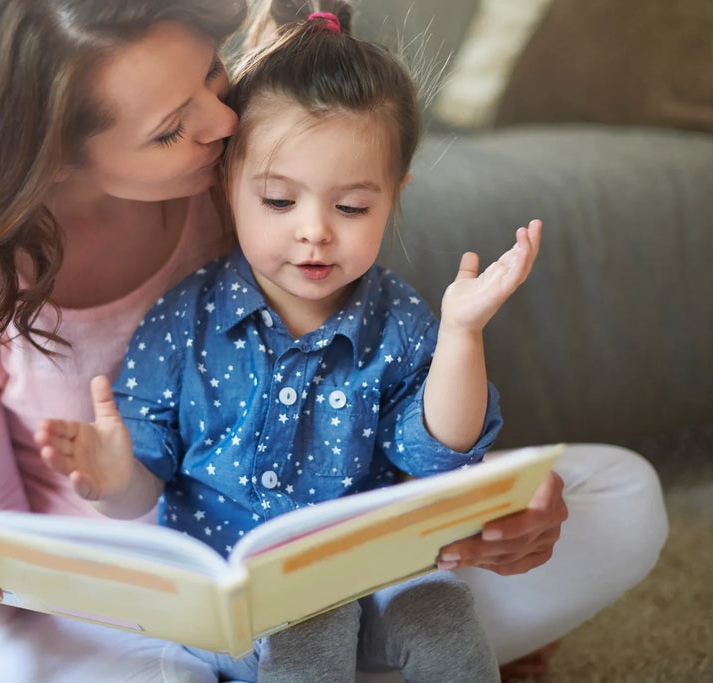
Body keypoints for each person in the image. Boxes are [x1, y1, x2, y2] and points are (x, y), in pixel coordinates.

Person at [0, 0, 668, 681]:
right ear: (49, 153)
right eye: (173, 127)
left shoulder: (251, 166)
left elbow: (403, 416)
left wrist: (501, 516)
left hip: (346, 545)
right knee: (15, 651)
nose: (223, 122)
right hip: (122, 597)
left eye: (212, 74)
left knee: (620, 495)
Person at [36, 7, 538, 681]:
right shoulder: (185, 320)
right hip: (232, 603)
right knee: (304, 617)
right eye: (278, 202)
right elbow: (138, 486)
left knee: (443, 613)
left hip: (376, 579)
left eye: (352, 207)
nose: (315, 233)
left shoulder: (399, 319)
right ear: (226, 187)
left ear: (393, 196)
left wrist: (461, 333)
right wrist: (112, 477)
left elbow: (439, 456)